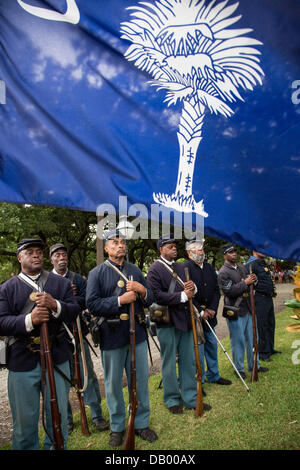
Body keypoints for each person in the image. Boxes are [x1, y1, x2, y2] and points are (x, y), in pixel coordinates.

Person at [0, 238, 80, 450]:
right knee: (24, 423)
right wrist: (30, 320)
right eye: (29, 252)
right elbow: (1, 322)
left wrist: (55, 304)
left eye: (38, 251)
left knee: (58, 417)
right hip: (22, 359)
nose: (36, 255)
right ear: (19, 258)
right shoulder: (7, 288)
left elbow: (74, 310)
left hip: (57, 356)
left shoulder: (61, 284)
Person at [86, 230, 158, 448]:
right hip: (111, 336)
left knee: (140, 382)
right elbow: (92, 304)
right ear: (106, 248)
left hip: (137, 334)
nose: (120, 246)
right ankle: (118, 427)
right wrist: (120, 300)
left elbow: (151, 299)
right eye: (114, 242)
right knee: (113, 385)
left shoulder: (134, 270)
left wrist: (142, 290)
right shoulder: (96, 273)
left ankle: (141, 422)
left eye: (122, 242)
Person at [147, 235, 211, 414]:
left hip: (185, 320)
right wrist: (182, 296)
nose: (174, 249)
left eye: (174, 246)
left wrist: (193, 289)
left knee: (188, 360)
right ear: (161, 250)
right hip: (167, 321)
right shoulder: (154, 269)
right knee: (168, 363)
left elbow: (191, 289)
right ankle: (172, 399)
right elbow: (156, 296)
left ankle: (190, 398)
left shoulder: (181, 267)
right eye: (169, 246)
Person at [49, 243, 109, 433]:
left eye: (64, 254)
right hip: (56, 338)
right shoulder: (46, 280)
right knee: (61, 380)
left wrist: (71, 299)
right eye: (57, 255)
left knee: (87, 375)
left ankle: (97, 416)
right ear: (51, 259)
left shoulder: (78, 279)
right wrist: (65, 300)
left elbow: (88, 300)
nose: (61, 258)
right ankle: (66, 420)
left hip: (78, 333)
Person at [184, 239, 232, 389]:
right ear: (189, 253)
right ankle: (200, 380)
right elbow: (187, 294)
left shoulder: (210, 268)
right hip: (195, 316)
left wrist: (212, 309)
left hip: (210, 315)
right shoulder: (185, 268)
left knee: (212, 345)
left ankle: (214, 375)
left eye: (202, 249)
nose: (201, 251)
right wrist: (201, 311)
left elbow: (217, 291)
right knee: (198, 349)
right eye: (197, 249)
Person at [217, 244, 268, 379]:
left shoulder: (242, 267)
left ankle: (254, 365)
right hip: (235, 309)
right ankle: (238, 368)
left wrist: (254, 281)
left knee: (252, 339)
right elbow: (229, 291)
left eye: (235, 251)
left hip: (249, 308)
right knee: (238, 341)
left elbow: (250, 284)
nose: (234, 254)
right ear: (225, 255)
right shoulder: (223, 272)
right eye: (230, 252)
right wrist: (246, 282)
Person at [246, 251, 281, 362]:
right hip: (259, 298)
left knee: (270, 323)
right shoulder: (251, 264)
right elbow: (250, 282)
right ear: (254, 250)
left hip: (267, 297)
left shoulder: (262, 263)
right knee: (262, 325)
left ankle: (270, 348)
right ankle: (262, 352)